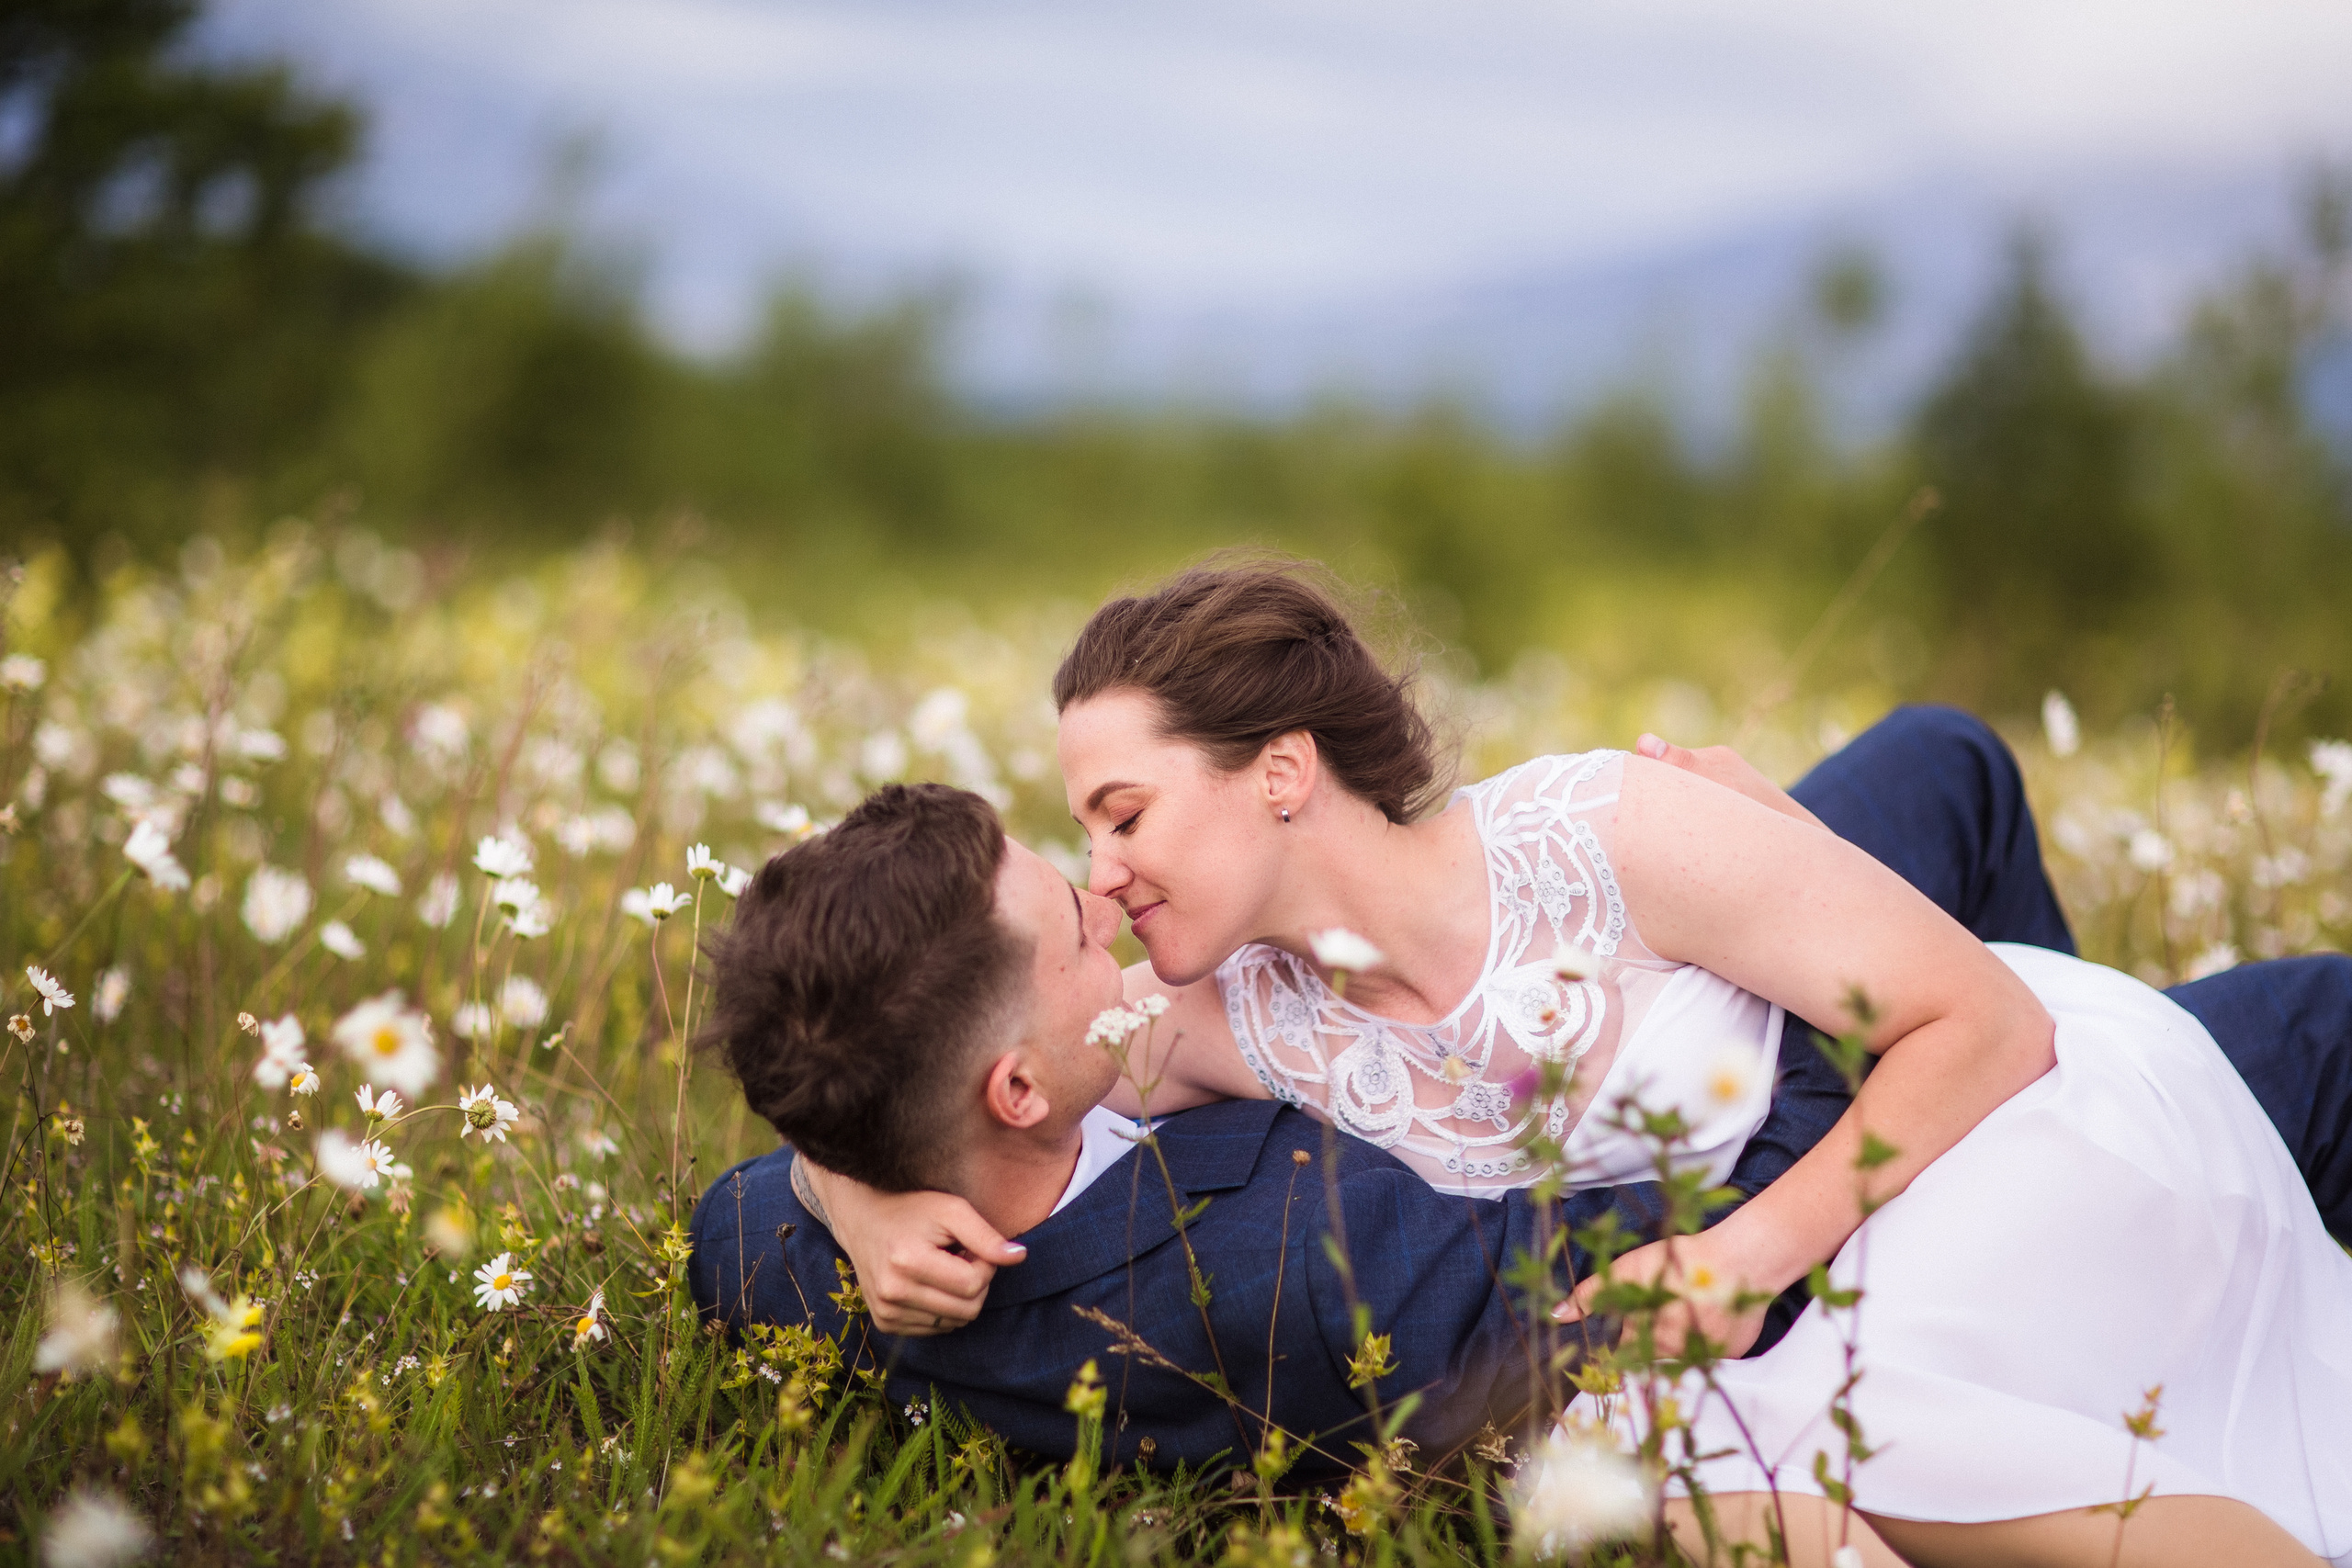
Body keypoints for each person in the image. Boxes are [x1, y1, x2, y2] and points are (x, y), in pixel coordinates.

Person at [721, 565, 2352, 1564]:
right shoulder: (1218, 1025)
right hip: (1850, 1276)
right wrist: (845, 1186)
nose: (1109, 878)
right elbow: (907, 1075)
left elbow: (1985, 1025)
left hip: (2006, 1123)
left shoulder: (1600, 834)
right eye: (1083, 843)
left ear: (1282, 773)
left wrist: (1745, 1244)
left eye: (1119, 819)